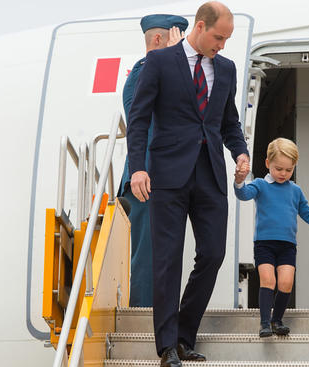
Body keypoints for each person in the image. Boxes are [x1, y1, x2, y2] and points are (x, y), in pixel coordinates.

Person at [126, 2, 250, 367]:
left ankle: (183, 336)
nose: (222, 45)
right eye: (218, 37)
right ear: (199, 26)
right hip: (167, 174)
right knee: (167, 260)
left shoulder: (225, 69)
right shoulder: (160, 62)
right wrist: (138, 168)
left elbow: (229, 122)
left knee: (213, 254)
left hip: (210, 172)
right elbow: (139, 117)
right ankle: (166, 347)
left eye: (227, 39)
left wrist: (240, 155)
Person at [233, 138, 309, 337]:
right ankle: (265, 323)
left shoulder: (295, 190)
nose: (283, 174)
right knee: (268, 280)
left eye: (288, 170)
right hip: (264, 244)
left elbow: (308, 213)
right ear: (268, 164)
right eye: (279, 169)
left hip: (287, 246)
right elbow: (243, 195)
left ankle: (277, 320)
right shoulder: (260, 185)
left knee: (286, 282)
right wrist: (239, 180)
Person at [118, 14, 188, 308]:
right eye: (179, 41)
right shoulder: (145, 71)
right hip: (146, 179)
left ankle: (159, 318)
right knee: (148, 255)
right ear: (159, 40)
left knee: (161, 254)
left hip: (161, 179)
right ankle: (145, 319)